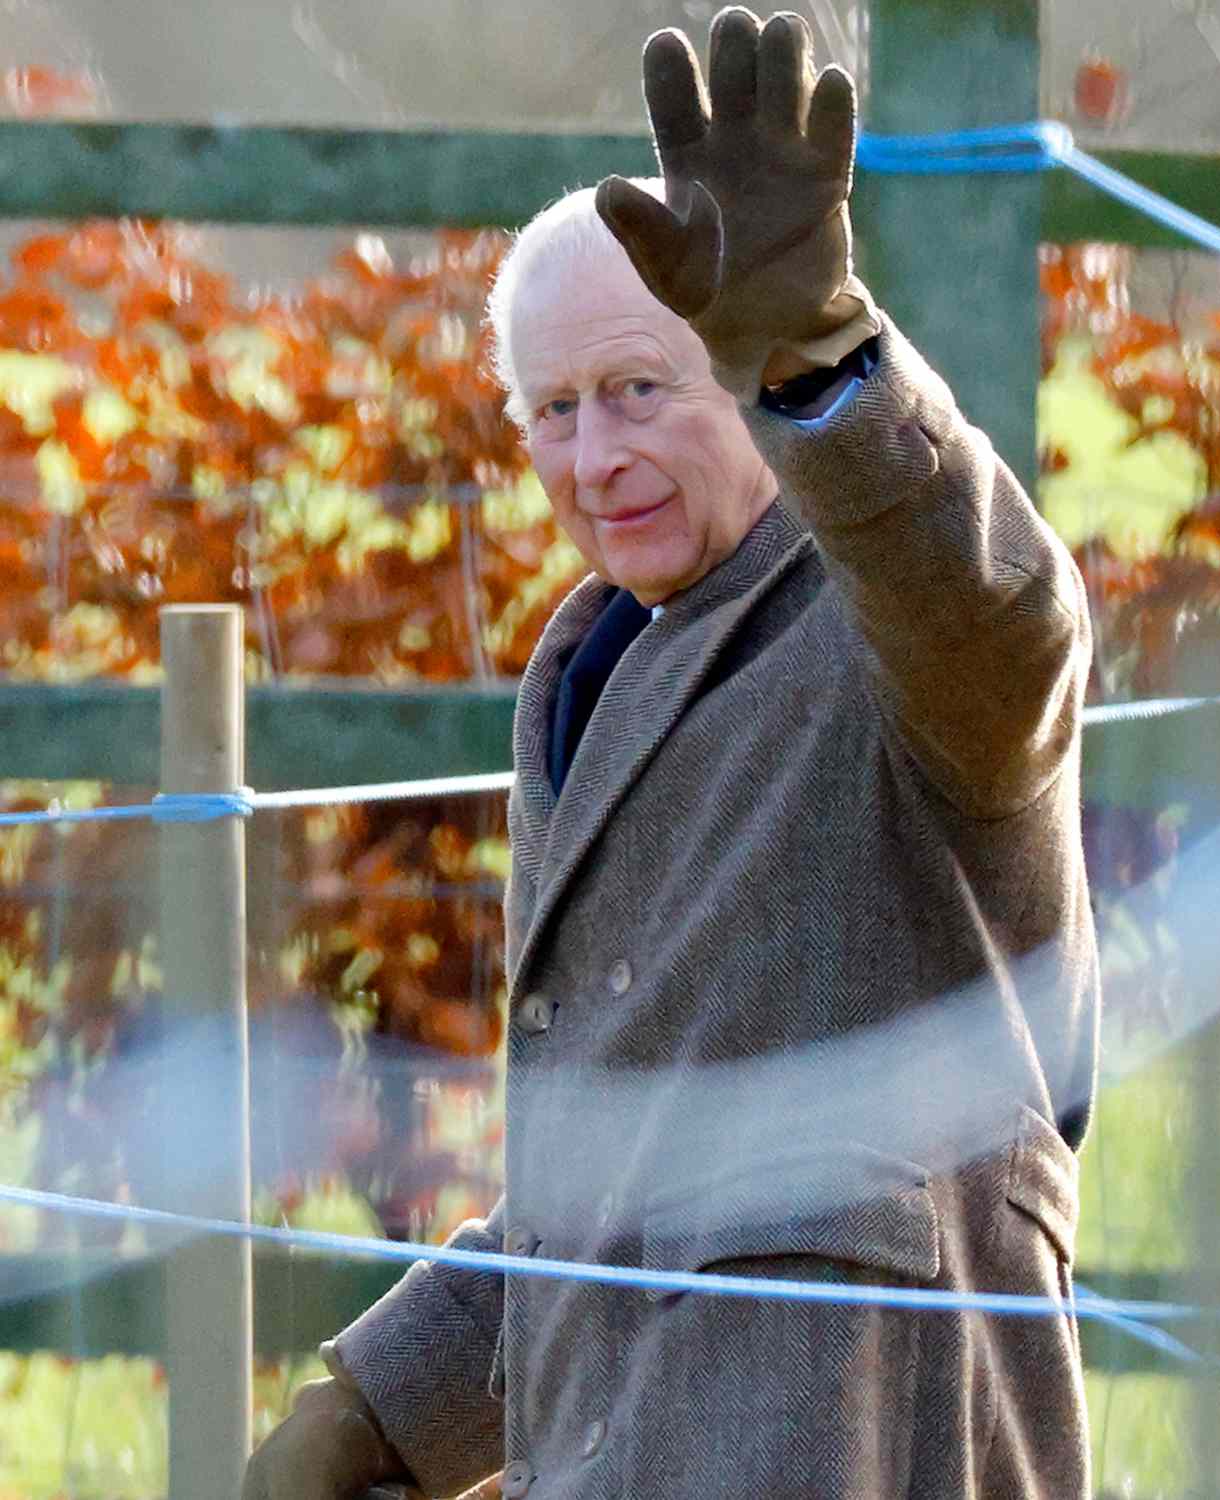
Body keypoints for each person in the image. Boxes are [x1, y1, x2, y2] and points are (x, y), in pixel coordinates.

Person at [242, 8, 1098, 1498]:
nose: (595, 456)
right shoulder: (592, 668)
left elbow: (1003, 626)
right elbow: (617, 1193)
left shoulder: (884, 604)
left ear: (741, 367)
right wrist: (381, 1406)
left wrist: (828, 361)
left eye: (642, 388)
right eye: (553, 412)